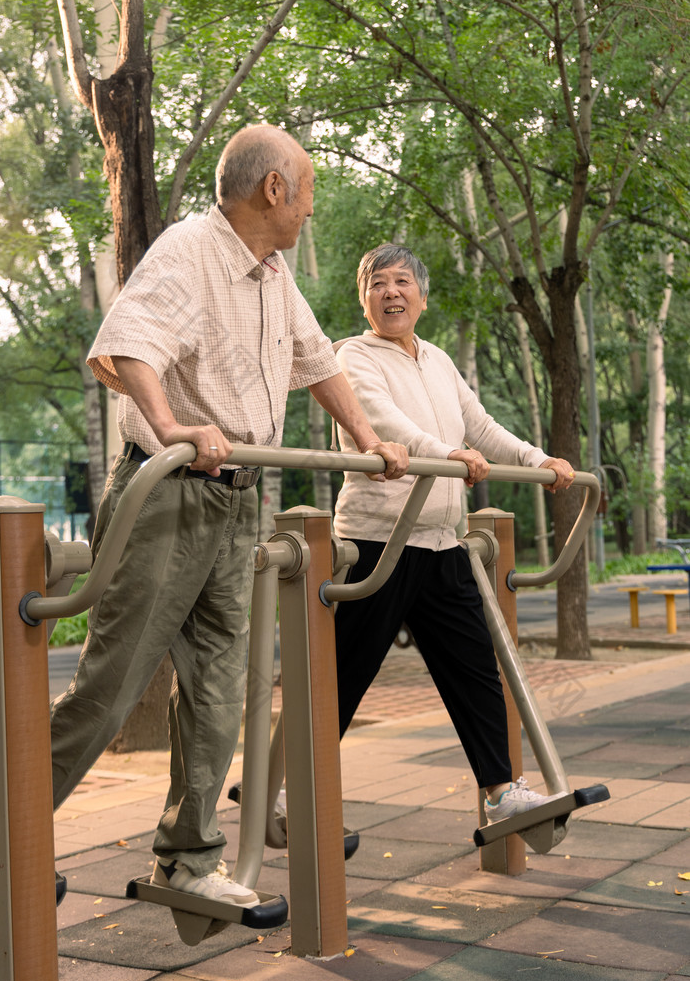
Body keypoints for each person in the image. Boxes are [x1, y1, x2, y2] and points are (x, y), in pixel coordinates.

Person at [50, 128, 408, 908]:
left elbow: (320, 363)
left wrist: (372, 439)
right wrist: (172, 424)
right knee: (111, 687)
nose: (311, 208)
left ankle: (187, 856)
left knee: (219, 684)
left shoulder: (272, 275)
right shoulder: (191, 251)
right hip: (170, 491)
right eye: (308, 189)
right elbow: (130, 344)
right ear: (274, 190)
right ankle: (5, 828)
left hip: (239, 498)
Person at [332, 242, 574, 824]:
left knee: (474, 671)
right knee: (342, 675)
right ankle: (288, 787)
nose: (390, 292)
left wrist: (540, 460)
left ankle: (502, 791)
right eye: (377, 284)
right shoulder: (353, 357)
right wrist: (448, 455)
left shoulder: (438, 360)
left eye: (401, 282)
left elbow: (481, 425)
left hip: (443, 542)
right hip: (379, 541)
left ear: (421, 294)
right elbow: (385, 424)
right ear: (364, 300)